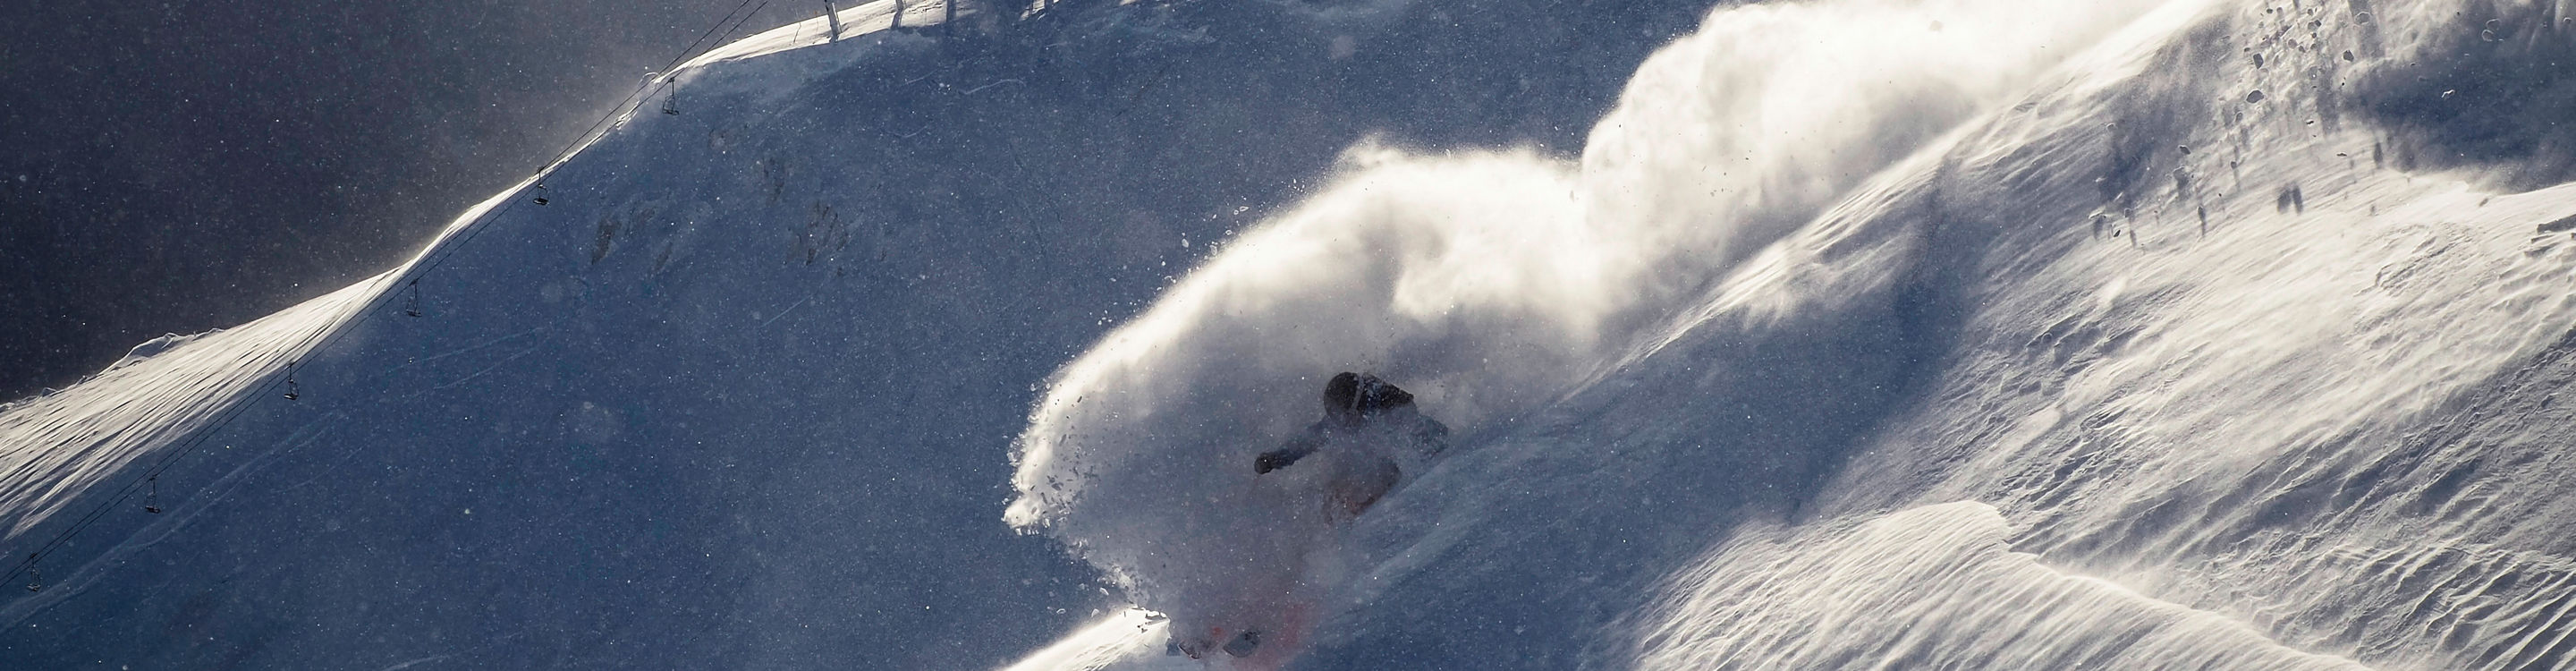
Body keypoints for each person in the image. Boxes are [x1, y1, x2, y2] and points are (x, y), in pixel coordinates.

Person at [1253, 372, 1449, 518]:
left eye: (1345, 417)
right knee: (1333, 491)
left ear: (1357, 407)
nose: (1342, 423)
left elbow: (1424, 448)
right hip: (1372, 470)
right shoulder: (1346, 419)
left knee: (1356, 495)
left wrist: (1379, 489)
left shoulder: (1395, 415)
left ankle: (1358, 522)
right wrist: (1275, 458)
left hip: (1402, 488)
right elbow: (1311, 439)